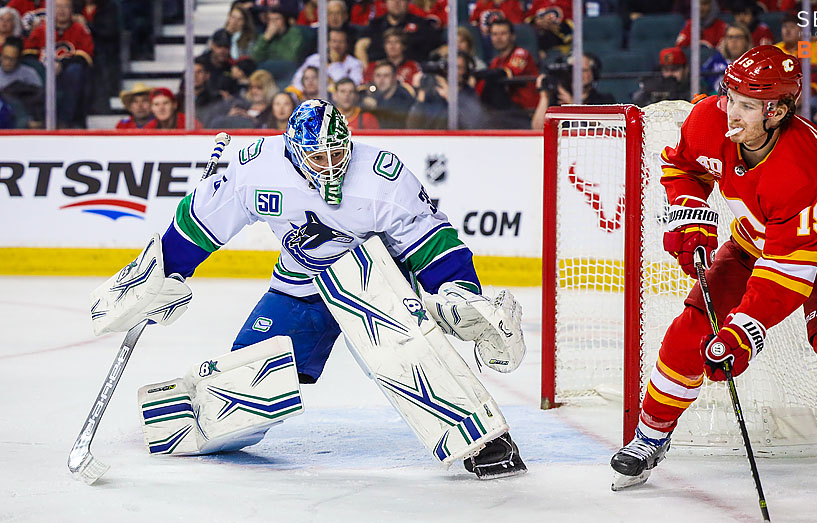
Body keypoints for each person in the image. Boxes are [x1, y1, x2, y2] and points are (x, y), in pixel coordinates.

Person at [91, 98, 527, 479]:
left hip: (372, 283)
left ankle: (484, 441)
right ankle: (197, 420)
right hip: (299, 282)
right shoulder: (256, 167)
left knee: (409, 355)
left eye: (339, 153)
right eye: (319, 158)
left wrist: (457, 290)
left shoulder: (381, 177)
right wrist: (159, 274)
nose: (332, 165)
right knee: (248, 383)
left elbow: (431, 238)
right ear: (295, 152)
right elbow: (202, 222)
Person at [608, 45, 817, 523]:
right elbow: (684, 167)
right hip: (756, 238)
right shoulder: (708, 118)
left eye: (746, 104)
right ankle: (649, 436)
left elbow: (788, 275)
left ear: (778, 111)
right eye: (731, 96)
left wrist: (743, 332)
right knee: (692, 326)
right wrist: (691, 219)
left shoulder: (798, 167)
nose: (731, 111)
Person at [23, 0, 93, 128]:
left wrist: (62, 64)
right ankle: (36, 120)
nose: (62, 10)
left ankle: (66, 121)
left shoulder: (79, 30)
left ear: (72, 10)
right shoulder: (41, 30)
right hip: (42, 76)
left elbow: (86, 57)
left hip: (68, 78)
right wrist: (42, 70)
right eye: (58, 7)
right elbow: (28, 55)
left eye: (66, 7)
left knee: (75, 71)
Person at [477, 18, 539, 126]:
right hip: (505, 112)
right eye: (495, 34)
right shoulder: (496, 61)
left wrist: (479, 74)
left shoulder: (521, 53)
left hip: (526, 112)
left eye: (503, 34)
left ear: (512, 36)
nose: (498, 38)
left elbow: (505, 74)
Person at [530, 53, 613, 130]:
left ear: (594, 73)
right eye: (574, 70)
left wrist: (573, 106)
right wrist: (544, 97)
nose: (578, 75)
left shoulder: (604, 100)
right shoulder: (559, 100)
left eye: (583, 70)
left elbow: (609, 130)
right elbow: (537, 129)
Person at [407, 51, 487, 129]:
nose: (453, 71)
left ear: (466, 71)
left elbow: (473, 124)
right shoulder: (434, 91)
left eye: (458, 68)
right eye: (450, 67)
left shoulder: (469, 94)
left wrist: (450, 98)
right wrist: (421, 95)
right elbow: (413, 125)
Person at [355, 0, 440, 64]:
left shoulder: (421, 24)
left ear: (408, 2)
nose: (396, 2)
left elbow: (440, 47)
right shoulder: (375, 25)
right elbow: (360, 46)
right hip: (379, 76)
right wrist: (367, 69)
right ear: (386, 2)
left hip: (414, 75)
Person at [290, 28, 364, 89]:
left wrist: (335, 63)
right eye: (334, 41)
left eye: (341, 42)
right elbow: (297, 80)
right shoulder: (314, 59)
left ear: (347, 45)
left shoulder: (355, 64)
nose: (336, 46)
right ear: (328, 43)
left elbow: (349, 88)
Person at [359, 59, 415, 128]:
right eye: (378, 76)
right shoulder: (370, 94)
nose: (381, 80)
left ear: (394, 77)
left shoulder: (404, 96)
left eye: (386, 75)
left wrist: (376, 106)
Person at [701, 24, 752, 93]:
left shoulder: (753, 62)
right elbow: (701, 78)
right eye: (730, 37)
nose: (734, 41)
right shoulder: (716, 59)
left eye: (738, 37)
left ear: (747, 41)